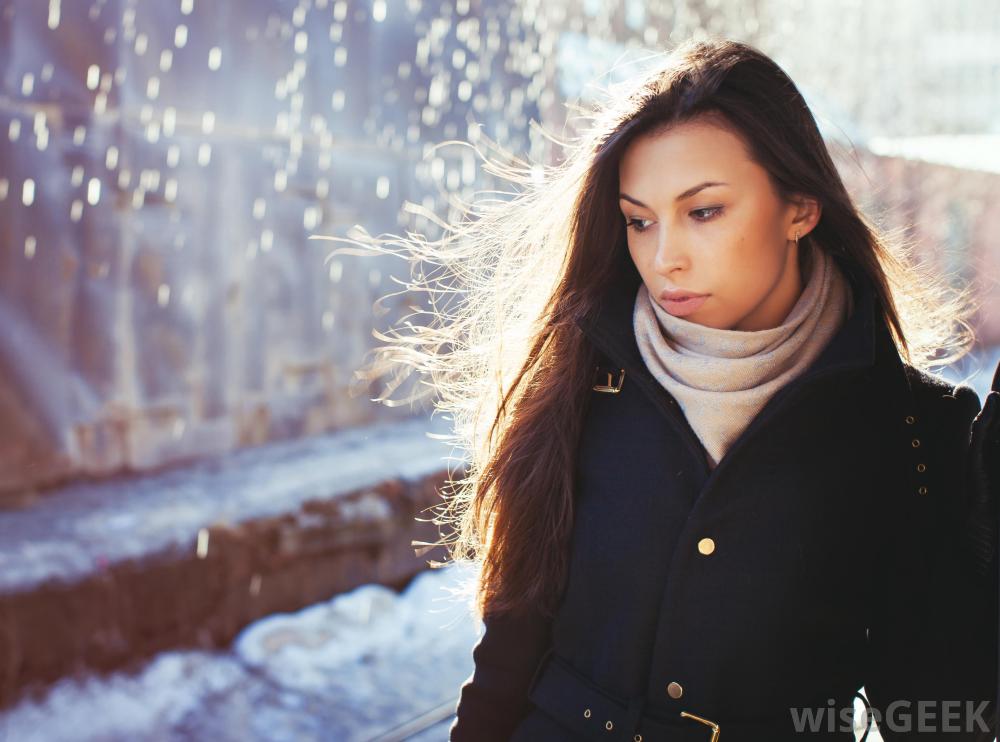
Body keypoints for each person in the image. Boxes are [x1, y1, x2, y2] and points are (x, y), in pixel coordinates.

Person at [343, 37, 1000, 740]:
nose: (665, 258)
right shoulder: (576, 378)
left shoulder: (911, 429)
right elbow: (508, 659)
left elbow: (938, 709)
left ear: (800, 207)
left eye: (705, 211)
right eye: (639, 220)